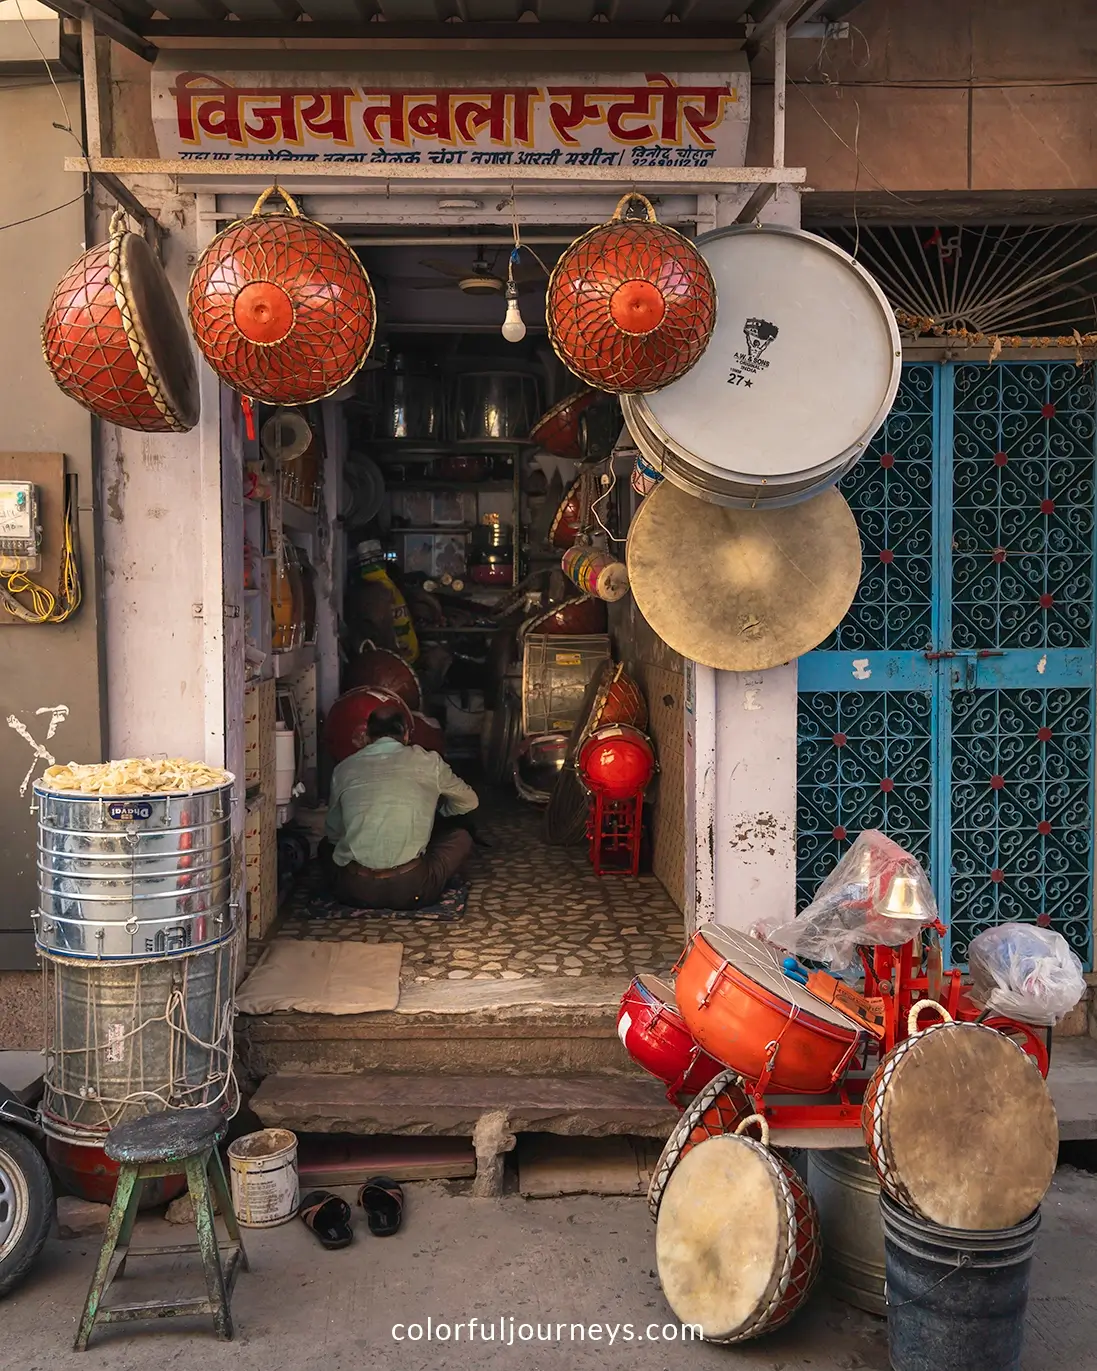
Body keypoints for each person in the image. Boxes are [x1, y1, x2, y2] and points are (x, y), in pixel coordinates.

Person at [324, 706, 479, 909]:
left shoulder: (343, 769)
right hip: (412, 890)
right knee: (462, 837)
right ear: (406, 734)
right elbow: (469, 801)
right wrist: (440, 814)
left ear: (367, 736)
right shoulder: (429, 762)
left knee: (324, 848)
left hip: (355, 891)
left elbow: (333, 833)